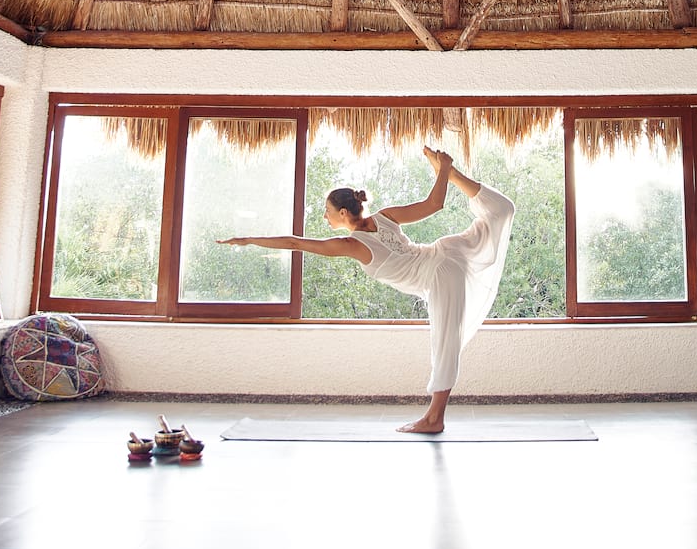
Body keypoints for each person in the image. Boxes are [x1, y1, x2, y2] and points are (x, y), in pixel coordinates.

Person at [217, 146, 515, 434]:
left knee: (445, 343)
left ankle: (434, 418)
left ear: (344, 213)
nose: (325, 217)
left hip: (440, 271)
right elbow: (434, 204)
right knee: (502, 210)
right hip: (446, 253)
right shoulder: (385, 217)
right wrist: (445, 170)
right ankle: (453, 172)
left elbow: (296, 243)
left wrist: (248, 239)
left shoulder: (352, 245)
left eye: (327, 211)